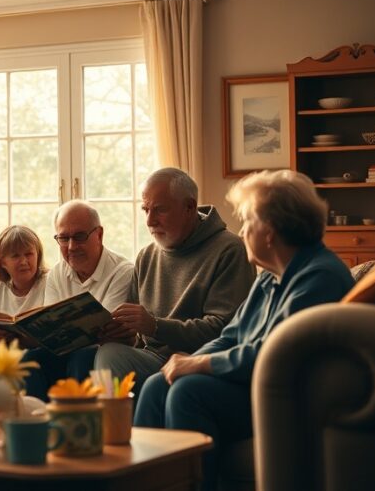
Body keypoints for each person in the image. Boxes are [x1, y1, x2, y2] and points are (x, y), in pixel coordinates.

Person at [133, 170, 355, 491]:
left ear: (270, 230)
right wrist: (182, 364)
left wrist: (198, 364)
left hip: (286, 394)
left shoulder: (319, 277)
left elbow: (272, 353)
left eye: (248, 221)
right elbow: (231, 335)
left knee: (188, 393)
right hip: (252, 384)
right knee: (157, 385)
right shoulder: (270, 275)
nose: (242, 230)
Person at [95, 168, 255, 393]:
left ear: (189, 207)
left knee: (110, 357)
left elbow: (224, 330)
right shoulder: (147, 255)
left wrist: (155, 326)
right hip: (152, 357)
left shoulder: (229, 250)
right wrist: (120, 333)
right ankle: (114, 426)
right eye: (145, 210)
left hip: (196, 361)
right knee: (96, 353)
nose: (150, 221)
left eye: (159, 210)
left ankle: (116, 427)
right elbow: (138, 336)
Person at [23, 200, 134, 400]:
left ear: (99, 235)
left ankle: (79, 426)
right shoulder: (57, 273)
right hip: (67, 351)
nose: (71, 247)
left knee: (84, 356)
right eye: (63, 238)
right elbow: (52, 327)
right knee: (28, 360)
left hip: (101, 353)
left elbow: (104, 333)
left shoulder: (123, 272)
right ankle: (40, 424)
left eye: (80, 237)